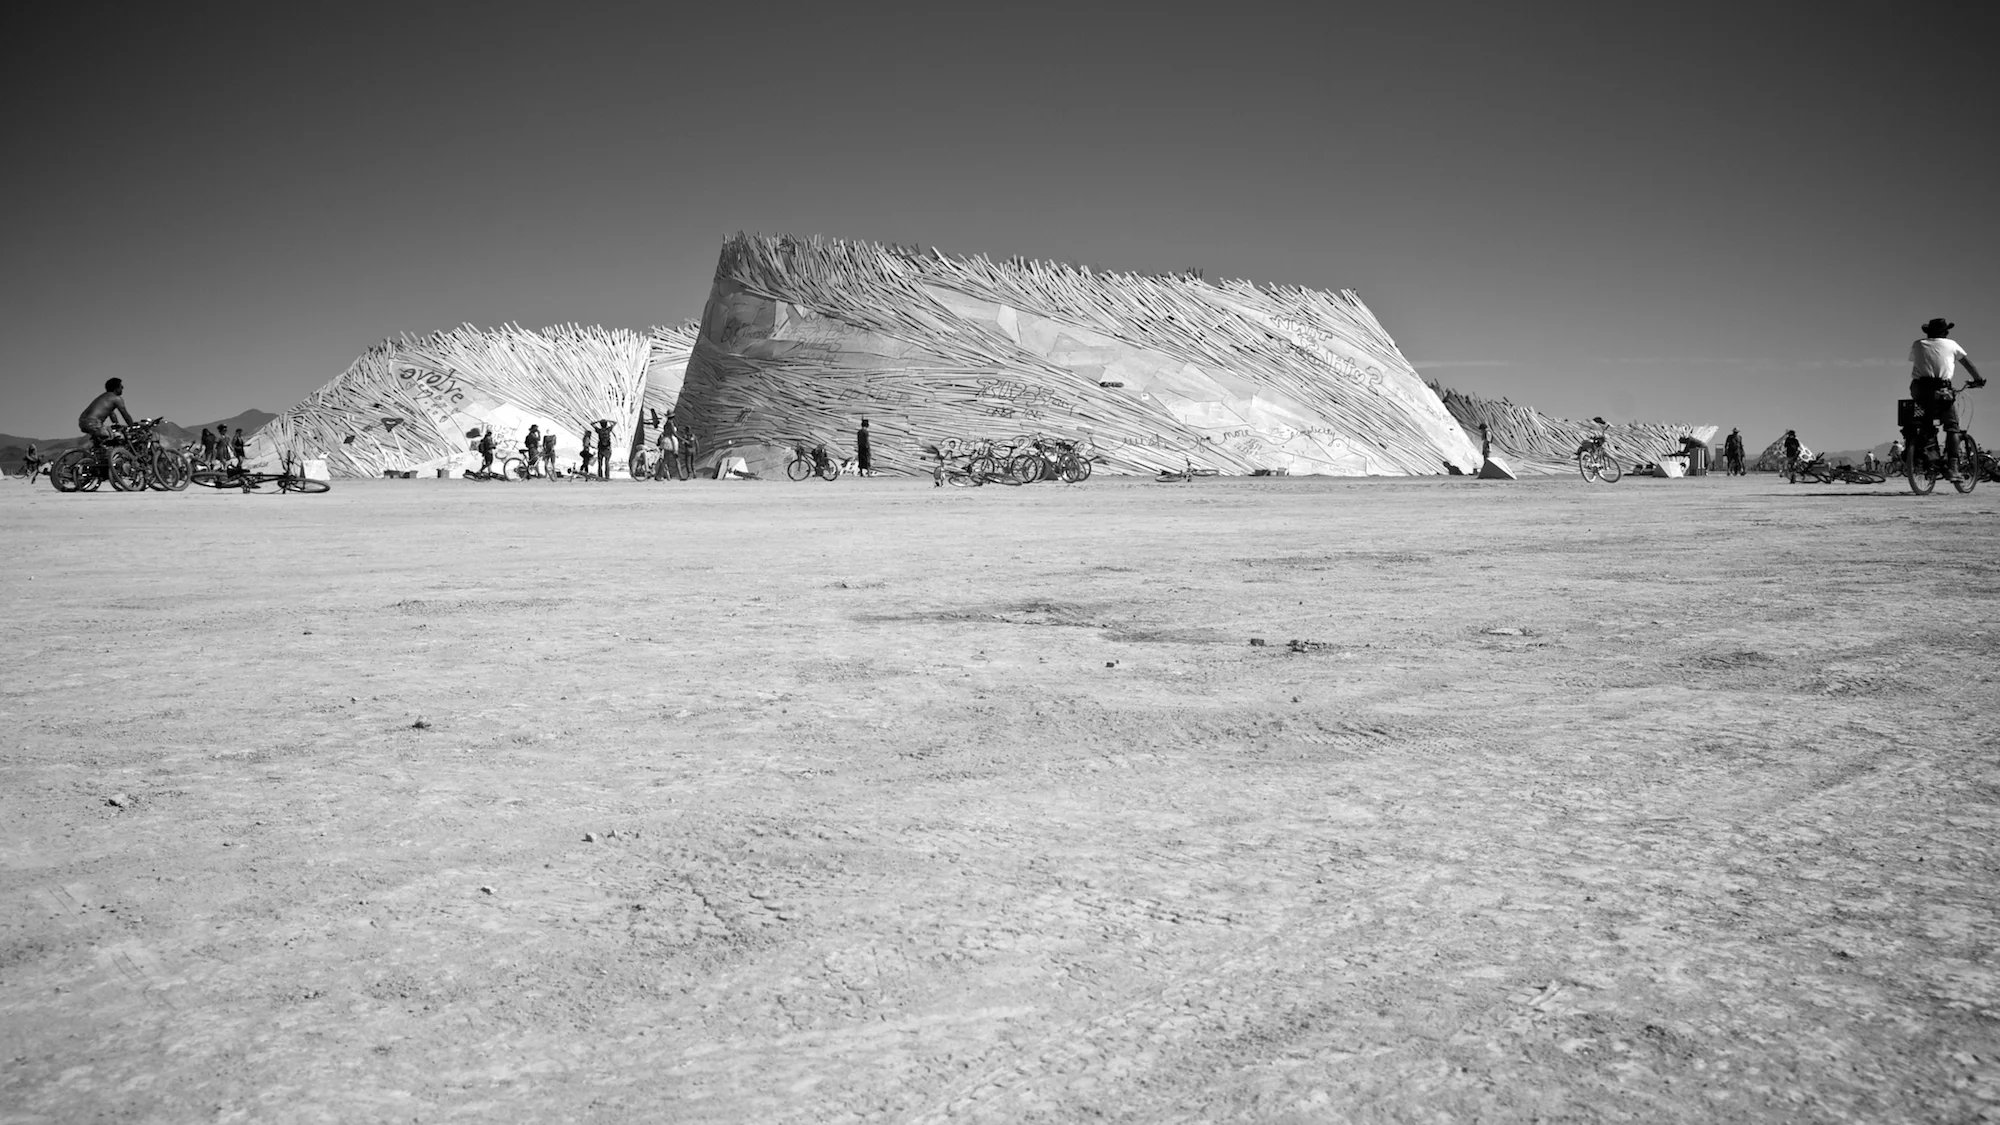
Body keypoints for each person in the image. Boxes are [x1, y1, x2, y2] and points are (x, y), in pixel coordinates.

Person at [1906, 317, 1986, 477]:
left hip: (1919, 389)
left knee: (1926, 421)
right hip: (1941, 391)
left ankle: (1929, 456)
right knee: (1952, 427)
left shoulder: (1918, 344)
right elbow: (1968, 363)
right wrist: (1978, 380)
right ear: (1945, 332)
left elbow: (1915, 360)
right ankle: (1953, 468)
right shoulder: (1951, 345)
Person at [79, 378, 136, 477]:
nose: (122, 388)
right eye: (121, 386)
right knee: (118, 438)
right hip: (94, 423)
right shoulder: (116, 398)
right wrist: (133, 427)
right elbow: (125, 415)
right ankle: (109, 465)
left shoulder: (104, 398)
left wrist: (116, 424)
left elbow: (111, 414)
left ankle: (93, 463)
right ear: (116, 388)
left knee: (100, 443)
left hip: (83, 421)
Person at [655, 413, 678, 480]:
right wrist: (682, 439)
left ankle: (662, 475)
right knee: (667, 459)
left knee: (667, 459)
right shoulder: (670, 423)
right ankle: (659, 475)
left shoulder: (667, 424)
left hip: (667, 440)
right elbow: (673, 433)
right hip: (670, 441)